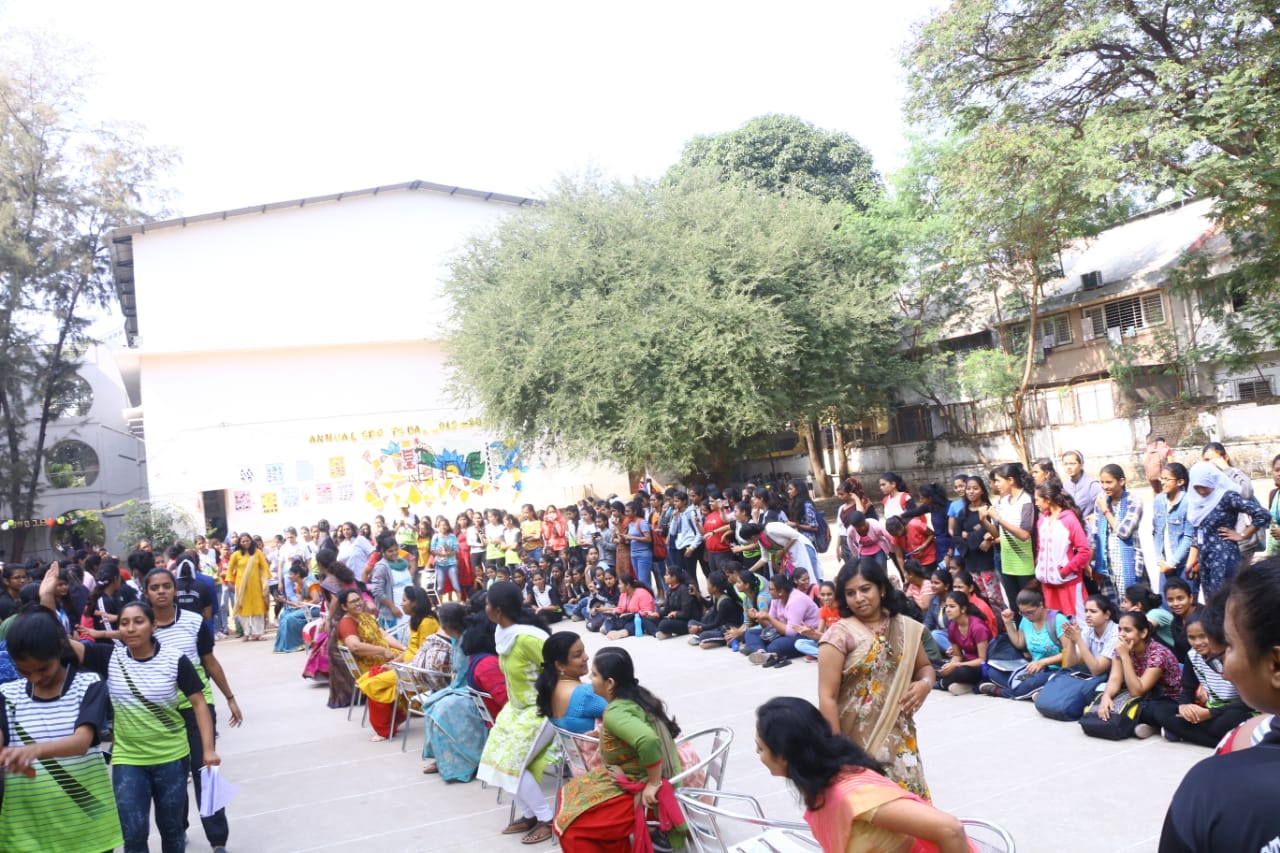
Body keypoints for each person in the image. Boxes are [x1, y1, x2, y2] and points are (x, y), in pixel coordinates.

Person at [73, 600, 218, 853]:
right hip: (128, 759)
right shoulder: (109, 657)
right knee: (133, 832)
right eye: (125, 623)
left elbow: (199, 703)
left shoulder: (175, 660)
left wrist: (208, 750)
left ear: (153, 625)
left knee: (172, 830)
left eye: (138, 621)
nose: (130, 628)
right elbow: (62, 645)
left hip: (171, 758)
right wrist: (46, 599)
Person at [1159, 557, 1280, 851]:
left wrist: (1209, 712)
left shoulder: (1214, 788)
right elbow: (1186, 692)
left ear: (1275, 665)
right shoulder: (1193, 659)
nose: (1225, 668)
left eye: (1231, 645)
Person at [755, 697, 973, 853]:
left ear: (783, 755)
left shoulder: (853, 795)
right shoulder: (824, 785)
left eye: (761, 748)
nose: (758, 754)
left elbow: (950, 829)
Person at [0, 609, 123, 852]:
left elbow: (81, 741)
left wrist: (30, 751)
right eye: (25, 671)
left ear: (59, 649)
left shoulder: (88, 685)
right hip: (26, 827)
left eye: (43, 669)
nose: (35, 678)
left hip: (87, 825)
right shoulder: (6, 695)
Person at [818, 558, 933, 800]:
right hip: (856, 741)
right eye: (850, 593)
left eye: (865, 589)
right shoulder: (839, 635)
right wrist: (839, 751)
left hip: (899, 735)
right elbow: (827, 697)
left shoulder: (905, 627)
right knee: (873, 811)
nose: (858, 598)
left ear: (881, 588)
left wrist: (924, 685)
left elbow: (925, 668)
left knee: (911, 808)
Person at [553, 646, 687, 852]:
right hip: (634, 778)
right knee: (570, 793)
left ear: (610, 683)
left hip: (645, 793)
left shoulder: (616, 713)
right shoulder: (636, 697)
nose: (590, 677)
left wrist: (653, 783)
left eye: (595, 674)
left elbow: (648, 740)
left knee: (570, 827)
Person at [477, 581, 556, 845]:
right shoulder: (503, 633)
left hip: (541, 708)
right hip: (517, 708)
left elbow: (559, 665)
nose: (484, 607)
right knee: (494, 761)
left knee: (513, 764)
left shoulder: (528, 638)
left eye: (487, 603)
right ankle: (529, 813)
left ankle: (547, 819)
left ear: (498, 610)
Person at [1147, 607, 1254, 746]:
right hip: (1208, 711)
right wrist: (1184, 707)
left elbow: (1248, 703)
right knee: (1159, 710)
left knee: (1231, 719)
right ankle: (1223, 740)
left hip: (1233, 712)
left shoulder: (1233, 655)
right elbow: (1187, 690)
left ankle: (1186, 734)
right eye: (1192, 638)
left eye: (1203, 636)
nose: (1197, 643)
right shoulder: (1192, 656)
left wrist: (1211, 713)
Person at [420, 618, 509, 780]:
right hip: (471, 692)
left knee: (445, 708)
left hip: (488, 705)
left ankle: (463, 763)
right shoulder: (479, 657)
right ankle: (443, 761)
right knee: (434, 703)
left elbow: (504, 699)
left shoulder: (485, 661)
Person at [1186, 460, 1270, 599]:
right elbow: (1199, 532)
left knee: (1223, 600)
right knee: (1210, 602)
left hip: (1224, 558)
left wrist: (1243, 535)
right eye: (1197, 487)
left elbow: (1262, 514)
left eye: (1205, 486)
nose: (1201, 491)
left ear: (1212, 481)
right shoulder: (1197, 504)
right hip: (1205, 559)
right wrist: (1193, 561)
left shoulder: (1227, 497)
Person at [1093, 610, 1181, 739]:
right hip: (1143, 696)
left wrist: (1125, 656)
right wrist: (1106, 697)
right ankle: (1147, 725)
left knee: (1153, 711)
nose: (1122, 635)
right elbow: (1114, 679)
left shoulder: (1158, 654)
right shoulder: (1121, 648)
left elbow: (1137, 691)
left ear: (1143, 633)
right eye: (1120, 629)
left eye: (1127, 630)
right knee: (1097, 695)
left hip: (1165, 699)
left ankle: (1156, 726)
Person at [335, 589, 407, 741]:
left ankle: (403, 712)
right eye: (353, 602)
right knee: (405, 669)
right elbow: (355, 646)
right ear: (344, 607)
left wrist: (402, 649)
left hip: (386, 656)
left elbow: (384, 635)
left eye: (359, 599)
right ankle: (386, 726)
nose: (358, 603)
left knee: (412, 658)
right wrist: (382, 651)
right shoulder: (347, 622)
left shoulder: (367, 617)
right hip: (371, 663)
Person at [980, 588, 1068, 700]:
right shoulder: (1026, 620)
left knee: (1029, 683)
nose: (1027, 616)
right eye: (1023, 613)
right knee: (994, 673)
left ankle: (1000, 691)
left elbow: (1069, 653)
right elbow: (1019, 643)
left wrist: (1044, 662)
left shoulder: (1056, 619)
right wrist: (1008, 622)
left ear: (1041, 605)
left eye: (1030, 612)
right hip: (1034, 669)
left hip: (1056, 669)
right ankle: (1034, 692)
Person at [980, 462, 1036, 608]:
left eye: (998, 480)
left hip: (1024, 564)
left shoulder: (1026, 500)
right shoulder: (1003, 501)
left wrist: (998, 518)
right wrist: (984, 520)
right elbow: (997, 533)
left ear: (1011, 480)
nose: (995, 484)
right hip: (1007, 562)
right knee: (1015, 606)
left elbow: (1024, 534)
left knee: (1029, 605)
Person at [1033, 481, 1090, 617]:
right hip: (1048, 584)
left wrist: (1065, 572)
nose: (1036, 503)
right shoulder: (1042, 520)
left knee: (1076, 621)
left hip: (1068, 582)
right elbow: (1040, 548)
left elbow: (1084, 551)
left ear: (1048, 500)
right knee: (1055, 622)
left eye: (1037, 499)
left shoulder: (1069, 519)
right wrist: (1040, 566)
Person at [1092, 464, 1145, 603]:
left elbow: (1124, 532)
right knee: (1110, 605)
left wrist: (1105, 510)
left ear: (1121, 481)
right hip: (1106, 562)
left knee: (1129, 603)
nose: (1105, 486)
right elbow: (1095, 533)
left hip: (1126, 560)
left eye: (1109, 482)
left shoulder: (1134, 501)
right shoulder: (1102, 499)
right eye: (1102, 482)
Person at [536, 631, 606, 734]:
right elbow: (620, 713)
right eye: (578, 655)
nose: (586, 657)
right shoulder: (584, 694)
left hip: (574, 749)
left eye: (584, 651)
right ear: (560, 665)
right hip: (598, 748)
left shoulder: (549, 690)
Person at [744, 572, 820, 665]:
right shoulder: (776, 598)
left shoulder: (796, 600)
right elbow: (769, 626)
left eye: (771, 589)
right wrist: (759, 617)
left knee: (774, 646)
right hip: (783, 632)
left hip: (805, 634)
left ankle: (762, 649)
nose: (769, 591)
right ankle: (762, 653)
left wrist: (768, 618)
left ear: (781, 591)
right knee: (750, 633)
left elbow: (791, 632)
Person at [1153, 462, 1194, 598]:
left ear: (1180, 482)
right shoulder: (1159, 500)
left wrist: (1172, 563)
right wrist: (1160, 559)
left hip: (1183, 564)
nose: (1162, 482)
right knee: (1166, 605)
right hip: (1165, 564)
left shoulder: (1189, 502)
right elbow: (1157, 532)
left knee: (1186, 604)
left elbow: (1189, 537)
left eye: (1167, 479)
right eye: (1161, 478)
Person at [937, 591, 990, 695]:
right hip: (964, 663)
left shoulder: (978, 627)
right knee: (933, 665)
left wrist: (956, 665)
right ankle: (945, 680)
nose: (947, 610)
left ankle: (942, 683)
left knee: (961, 672)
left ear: (963, 609)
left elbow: (982, 660)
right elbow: (957, 655)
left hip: (980, 668)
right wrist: (950, 666)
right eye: (946, 606)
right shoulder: (953, 626)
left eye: (952, 606)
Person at [1060, 594, 1118, 676]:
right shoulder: (1088, 630)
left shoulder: (1116, 633)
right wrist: (1072, 640)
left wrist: (1079, 640)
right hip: (1096, 675)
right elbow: (1070, 664)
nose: (1087, 615)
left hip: (1112, 677)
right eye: (1086, 611)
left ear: (1107, 615)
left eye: (1093, 611)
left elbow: (1097, 670)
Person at [227, 533, 270, 641]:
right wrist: (230, 582)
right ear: (240, 543)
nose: (245, 543)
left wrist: (265, 581)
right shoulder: (236, 554)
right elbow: (229, 569)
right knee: (243, 610)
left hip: (256, 586)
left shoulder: (258, 553)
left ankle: (257, 633)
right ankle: (246, 633)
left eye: (247, 541)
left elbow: (264, 567)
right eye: (243, 541)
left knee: (257, 609)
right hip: (242, 586)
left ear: (251, 541)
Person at [274, 560, 320, 653]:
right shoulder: (299, 586)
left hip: (315, 608)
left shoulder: (309, 583)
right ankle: (283, 645)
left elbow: (316, 600)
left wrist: (303, 606)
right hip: (306, 608)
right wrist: (285, 601)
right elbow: (299, 603)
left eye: (291, 574)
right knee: (284, 614)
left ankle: (298, 643)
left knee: (290, 618)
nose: (289, 576)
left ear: (297, 574)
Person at [1060, 450, 1101, 522]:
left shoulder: (1091, 485)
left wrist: (1096, 515)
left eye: (1072, 464)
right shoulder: (1065, 486)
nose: (1068, 467)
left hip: (1087, 529)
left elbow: (1108, 504)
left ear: (1081, 465)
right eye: (1065, 464)